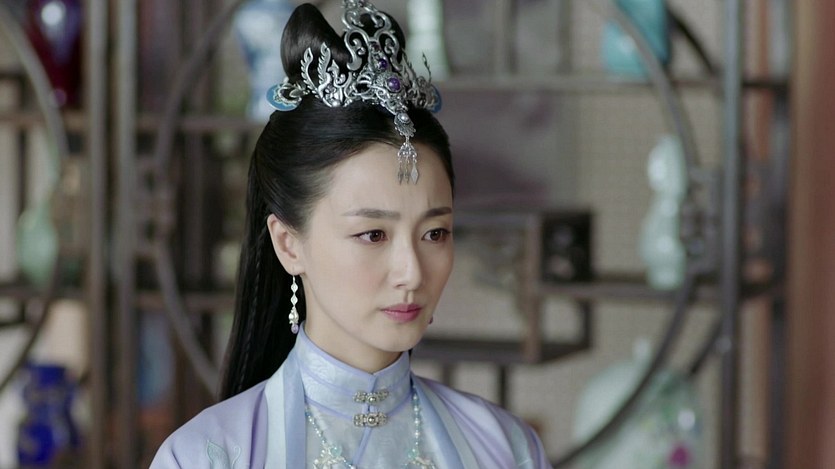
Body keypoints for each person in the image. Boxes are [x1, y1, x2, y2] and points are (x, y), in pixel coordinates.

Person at [150, 1, 552, 467]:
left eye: (434, 233)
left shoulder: (502, 448)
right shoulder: (207, 456)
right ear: (288, 244)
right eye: (373, 234)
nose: (411, 272)